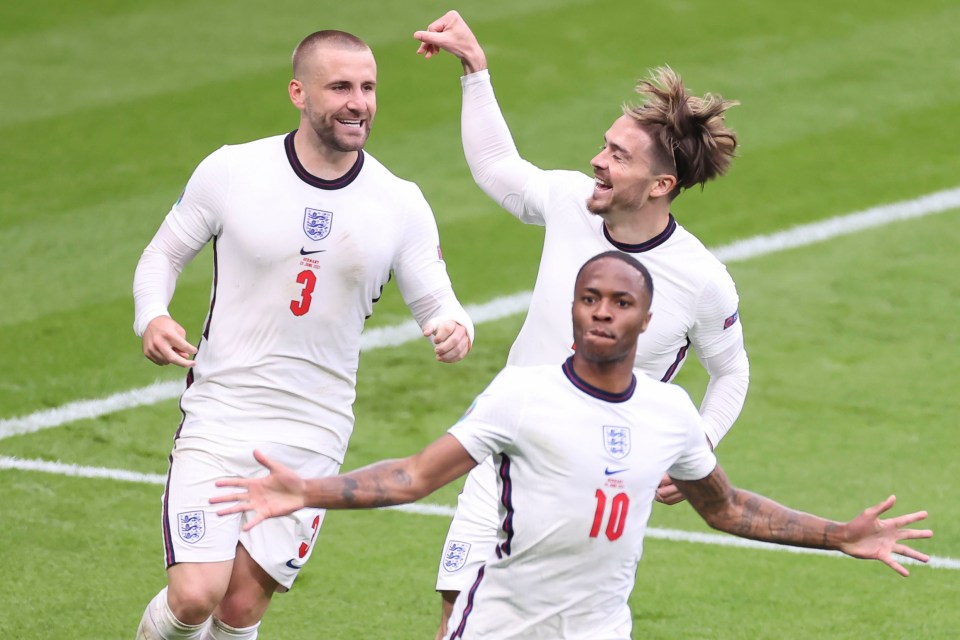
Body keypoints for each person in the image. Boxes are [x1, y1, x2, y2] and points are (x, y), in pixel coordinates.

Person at [211, 252, 932, 640]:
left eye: (621, 303)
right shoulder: (522, 395)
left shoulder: (671, 412)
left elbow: (730, 509)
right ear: (574, 307)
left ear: (647, 320)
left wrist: (839, 535)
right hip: (499, 623)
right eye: (591, 298)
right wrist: (304, 490)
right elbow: (412, 476)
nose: (603, 313)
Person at [413, 11, 750, 634]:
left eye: (617, 156)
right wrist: (475, 69)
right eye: (605, 143)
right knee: (457, 619)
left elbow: (731, 371)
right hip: (505, 456)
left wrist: (700, 441)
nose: (597, 160)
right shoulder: (571, 202)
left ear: (660, 184)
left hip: (592, 489)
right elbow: (497, 168)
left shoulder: (700, 280)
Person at [131, 29, 474, 640]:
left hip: (314, 428)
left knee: (238, 609)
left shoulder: (399, 201)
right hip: (221, 411)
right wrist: (152, 314)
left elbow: (439, 299)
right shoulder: (233, 169)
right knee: (194, 596)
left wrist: (452, 327)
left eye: (368, 88)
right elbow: (162, 254)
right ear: (299, 92)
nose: (358, 102)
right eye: (340, 86)